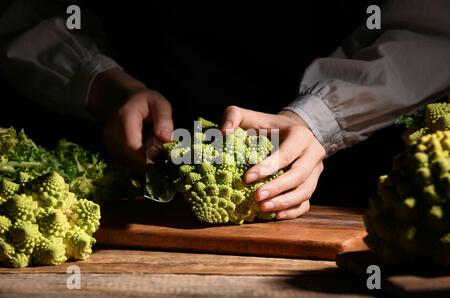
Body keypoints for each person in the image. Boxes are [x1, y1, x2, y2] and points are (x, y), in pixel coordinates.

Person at [0, 0, 449, 218]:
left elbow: (434, 27)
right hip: (134, 186)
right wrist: (106, 86)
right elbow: (24, 7)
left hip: (347, 182)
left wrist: (321, 119)